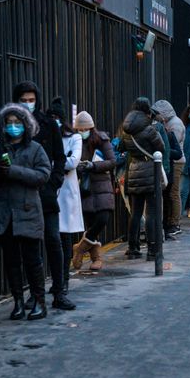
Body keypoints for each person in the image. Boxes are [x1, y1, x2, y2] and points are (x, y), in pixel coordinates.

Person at [12, 81, 73, 311]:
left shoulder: (48, 125)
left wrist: (54, 181)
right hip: (24, 194)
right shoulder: (14, 125)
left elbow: (59, 157)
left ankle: (59, 290)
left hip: (46, 194)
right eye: (23, 100)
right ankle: (35, 293)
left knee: (53, 241)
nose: (28, 104)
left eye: (31, 99)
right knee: (30, 246)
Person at [0, 103, 51, 320]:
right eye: (9, 123)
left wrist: (13, 171)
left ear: (26, 125)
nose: (13, 127)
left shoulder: (35, 149)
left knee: (33, 260)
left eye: (17, 123)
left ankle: (39, 301)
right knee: (11, 261)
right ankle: (17, 301)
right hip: (5, 213)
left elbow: (43, 175)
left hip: (27, 211)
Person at [71, 111, 116, 271]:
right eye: (80, 130)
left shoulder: (102, 140)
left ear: (91, 128)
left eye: (85, 129)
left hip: (102, 184)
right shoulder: (73, 141)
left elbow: (112, 161)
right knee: (90, 222)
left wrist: (93, 166)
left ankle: (80, 248)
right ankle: (96, 258)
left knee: (103, 218)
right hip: (85, 186)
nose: (83, 132)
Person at [121, 98, 165, 260]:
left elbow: (122, 147)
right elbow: (161, 148)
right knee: (152, 212)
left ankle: (133, 249)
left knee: (135, 213)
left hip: (133, 170)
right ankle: (153, 250)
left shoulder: (126, 130)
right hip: (149, 172)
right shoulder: (149, 130)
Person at [48, 97, 83, 294]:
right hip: (52, 191)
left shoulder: (74, 137)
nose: (54, 121)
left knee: (66, 238)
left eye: (57, 118)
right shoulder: (47, 136)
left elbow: (73, 162)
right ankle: (56, 281)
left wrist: (55, 163)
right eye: (51, 117)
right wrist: (60, 162)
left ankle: (64, 281)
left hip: (67, 192)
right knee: (54, 238)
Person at [151, 99, 186, 234]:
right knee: (170, 194)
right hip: (172, 162)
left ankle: (174, 223)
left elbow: (172, 146)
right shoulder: (171, 123)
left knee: (173, 194)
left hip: (176, 164)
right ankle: (171, 222)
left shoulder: (174, 125)